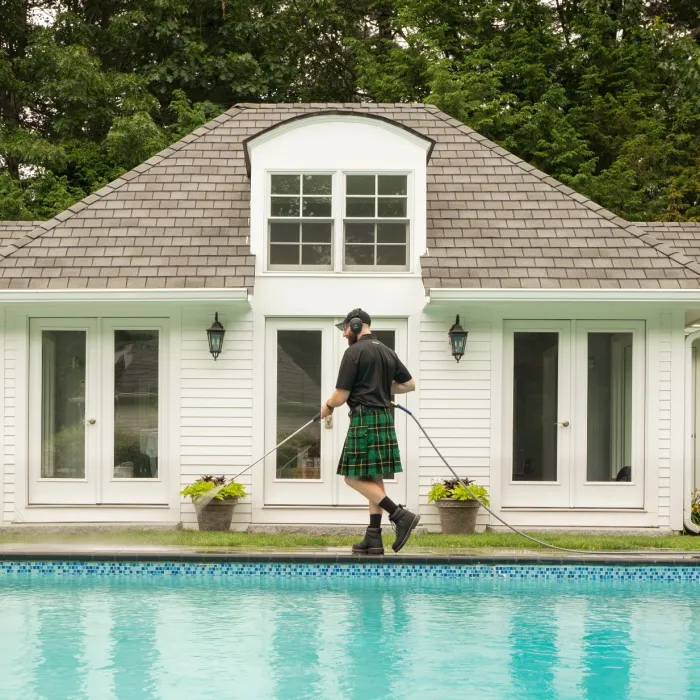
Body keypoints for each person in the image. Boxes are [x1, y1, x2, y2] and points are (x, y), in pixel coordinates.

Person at [320, 308, 420, 554]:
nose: (344, 335)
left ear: (355, 325)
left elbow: (340, 396)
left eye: (344, 329)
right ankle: (373, 537)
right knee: (373, 476)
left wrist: (327, 406)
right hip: (384, 417)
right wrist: (380, 389)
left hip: (365, 419)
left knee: (352, 477)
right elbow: (409, 385)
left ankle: (400, 515)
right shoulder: (387, 351)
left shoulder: (354, 352)